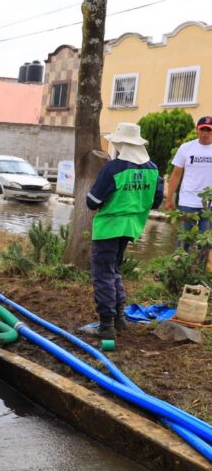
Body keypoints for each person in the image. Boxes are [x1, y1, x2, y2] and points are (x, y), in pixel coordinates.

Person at [85, 122, 163, 340]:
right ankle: (119, 318)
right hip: (133, 226)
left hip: (109, 227)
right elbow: (156, 201)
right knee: (115, 270)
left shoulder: (113, 168)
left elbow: (92, 201)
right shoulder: (153, 169)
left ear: (121, 144)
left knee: (103, 274)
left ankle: (106, 325)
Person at [165, 115, 212, 261]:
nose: (206, 133)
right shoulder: (186, 148)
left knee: (205, 244)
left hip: (209, 204)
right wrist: (169, 198)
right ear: (197, 130)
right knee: (182, 242)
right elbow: (176, 175)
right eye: (203, 129)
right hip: (187, 202)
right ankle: (178, 270)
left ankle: (199, 271)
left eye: (209, 130)